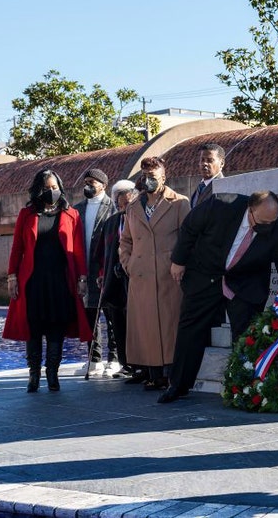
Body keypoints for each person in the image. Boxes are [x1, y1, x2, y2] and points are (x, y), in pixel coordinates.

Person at [161, 190, 278, 404]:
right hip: (206, 274)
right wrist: (178, 260)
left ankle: (244, 385)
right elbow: (190, 228)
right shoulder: (221, 205)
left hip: (245, 283)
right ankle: (178, 385)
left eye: (272, 221)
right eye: (263, 221)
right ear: (250, 209)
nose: (268, 226)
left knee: (245, 335)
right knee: (191, 328)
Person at [3, 169, 93, 393]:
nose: (51, 192)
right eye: (46, 188)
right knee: (33, 327)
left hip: (61, 280)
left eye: (54, 187)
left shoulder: (71, 214)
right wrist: (12, 276)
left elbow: (79, 249)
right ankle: (33, 375)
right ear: (38, 190)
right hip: (33, 281)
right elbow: (17, 248)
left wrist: (82, 277)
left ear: (60, 188)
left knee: (56, 327)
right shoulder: (27, 214)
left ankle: (52, 373)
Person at [119, 157, 189, 391]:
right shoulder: (133, 207)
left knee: (170, 325)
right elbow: (125, 240)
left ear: (164, 177)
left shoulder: (179, 203)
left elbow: (188, 239)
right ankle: (154, 373)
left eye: (153, 177)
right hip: (141, 275)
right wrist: (129, 264)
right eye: (145, 176)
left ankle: (172, 374)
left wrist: (179, 262)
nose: (149, 181)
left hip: (169, 275)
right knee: (146, 326)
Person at [74, 168, 118, 378]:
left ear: (103, 184)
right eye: (86, 181)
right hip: (85, 270)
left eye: (92, 182)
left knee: (111, 315)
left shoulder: (113, 207)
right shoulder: (77, 209)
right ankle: (94, 359)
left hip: (105, 268)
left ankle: (114, 358)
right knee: (90, 315)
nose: (88, 185)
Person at [92, 179, 138, 379]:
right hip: (114, 281)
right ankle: (125, 363)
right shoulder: (111, 223)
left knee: (136, 324)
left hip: (134, 280)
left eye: (129, 203)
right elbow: (103, 253)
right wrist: (102, 275)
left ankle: (140, 364)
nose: (125, 208)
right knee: (117, 325)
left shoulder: (140, 220)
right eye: (121, 204)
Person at [190, 143, 225, 209]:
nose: (204, 163)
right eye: (202, 160)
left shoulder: (224, 188)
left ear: (222, 163)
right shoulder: (199, 187)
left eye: (210, 160)